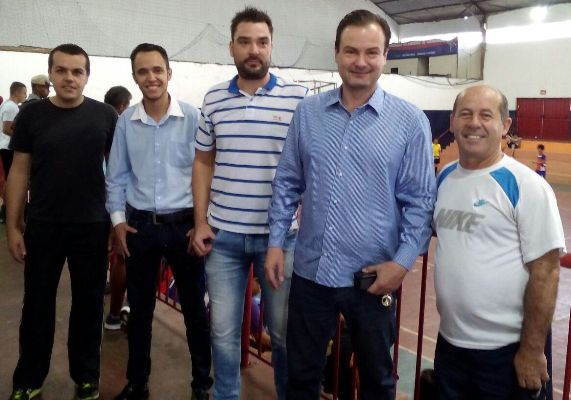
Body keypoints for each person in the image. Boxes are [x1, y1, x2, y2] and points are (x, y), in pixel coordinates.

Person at [265, 9, 436, 400]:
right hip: (312, 274)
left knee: (377, 382)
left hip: (374, 279)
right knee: (301, 378)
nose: (361, 61)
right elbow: (288, 182)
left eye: (371, 52)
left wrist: (402, 263)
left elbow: (421, 202)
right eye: (351, 51)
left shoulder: (410, 122)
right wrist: (276, 241)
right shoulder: (308, 114)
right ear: (336, 53)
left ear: (385, 56)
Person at [191, 7, 308, 400]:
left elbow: (312, 164)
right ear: (232, 47)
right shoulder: (213, 99)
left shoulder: (298, 99)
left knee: (283, 333)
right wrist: (201, 222)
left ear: (272, 46)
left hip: (281, 240)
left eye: (262, 42)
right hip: (223, 238)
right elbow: (203, 161)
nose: (253, 50)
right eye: (244, 42)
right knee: (222, 332)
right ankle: (226, 395)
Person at [433, 85, 566, 399]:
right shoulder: (445, 177)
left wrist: (532, 350)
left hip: (507, 353)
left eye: (486, 115)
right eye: (465, 114)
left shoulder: (526, 185)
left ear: (505, 125)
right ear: (452, 121)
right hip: (450, 347)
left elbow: (547, 272)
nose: (474, 123)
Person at [6, 43, 117, 400]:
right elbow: (19, 170)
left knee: (88, 305)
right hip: (43, 224)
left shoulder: (105, 116)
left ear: (87, 76)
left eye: (77, 71)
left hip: (92, 226)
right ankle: (29, 378)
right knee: (37, 304)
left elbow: (118, 175)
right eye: (62, 70)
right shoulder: (31, 116)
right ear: (51, 74)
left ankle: (86, 376)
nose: (69, 77)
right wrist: (13, 226)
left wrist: (116, 223)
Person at [106, 43, 212, 400]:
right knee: (140, 311)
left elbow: (208, 173)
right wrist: (118, 223)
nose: (151, 77)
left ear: (169, 73)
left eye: (157, 70)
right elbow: (116, 177)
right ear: (134, 77)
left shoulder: (194, 118)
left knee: (195, 311)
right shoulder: (126, 122)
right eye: (143, 71)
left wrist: (202, 223)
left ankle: (201, 385)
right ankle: (138, 383)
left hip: (185, 227)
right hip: (141, 228)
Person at [102, 85, 132, 331]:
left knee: (109, 250)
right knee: (122, 256)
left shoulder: (96, 117)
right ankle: (116, 313)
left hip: (101, 196)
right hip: (121, 199)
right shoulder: (120, 122)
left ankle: (111, 308)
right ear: (122, 105)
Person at [0, 81, 27, 223]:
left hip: (5, 147)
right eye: (24, 92)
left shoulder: (7, 105)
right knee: (13, 181)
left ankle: (6, 211)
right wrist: (23, 138)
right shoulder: (11, 107)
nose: (25, 96)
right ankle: (9, 212)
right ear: (16, 92)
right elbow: (6, 129)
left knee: (8, 180)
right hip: (8, 147)